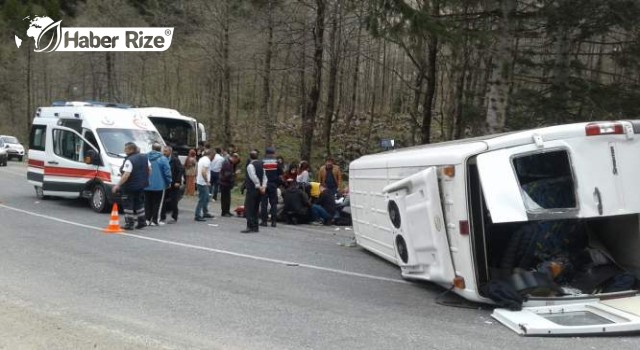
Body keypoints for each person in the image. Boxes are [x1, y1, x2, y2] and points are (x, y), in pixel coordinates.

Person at [112, 142, 150, 230]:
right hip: (141, 185)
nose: (124, 150)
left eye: (126, 149)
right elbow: (149, 170)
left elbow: (126, 175)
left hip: (129, 186)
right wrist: (144, 179)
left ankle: (130, 223)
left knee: (128, 204)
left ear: (131, 150)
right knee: (139, 203)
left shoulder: (130, 160)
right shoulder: (145, 157)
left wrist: (117, 185)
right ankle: (142, 222)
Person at [144, 143, 172, 226]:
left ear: (152, 148)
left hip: (147, 184)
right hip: (159, 184)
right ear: (160, 149)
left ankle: (147, 219)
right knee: (158, 203)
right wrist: (169, 182)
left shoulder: (145, 157)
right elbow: (167, 172)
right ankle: (155, 220)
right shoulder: (163, 159)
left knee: (147, 203)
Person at [241, 150, 267, 233]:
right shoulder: (262, 164)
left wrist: (259, 186)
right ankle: (256, 226)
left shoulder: (250, 166)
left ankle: (250, 225)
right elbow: (265, 177)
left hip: (253, 189)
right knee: (256, 208)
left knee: (249, 207)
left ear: (250, 157)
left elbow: (253, 177)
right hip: (260, 189)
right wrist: (264, 186)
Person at [160, 146, 184, 224]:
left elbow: (180, 171)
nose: (164, 153)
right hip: (165, 183)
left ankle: (174, 217)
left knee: (174, 201)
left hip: (174, 183)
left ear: (170, 152)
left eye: (166, 151)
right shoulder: (162, 159)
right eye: (163, 151)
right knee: (162, 201)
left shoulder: (175, 160)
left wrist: (178, 181)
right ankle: (162, 216)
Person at [260, 147, 283, 227]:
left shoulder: (262, 162)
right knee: (273, 203)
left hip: (264, 184)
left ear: (266, 153)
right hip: (273, 184)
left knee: (264, 203)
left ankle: (264, 221)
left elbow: (260, 173)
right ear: (273, 153)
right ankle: (273, 221)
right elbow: (281, 174)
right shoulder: (277, 163)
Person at [195, 149, 215, 222]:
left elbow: (197, 169)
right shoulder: (207, 161)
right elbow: (203, 172)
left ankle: (205, 212)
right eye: (213, 156)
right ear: (211, 155)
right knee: (203, 199)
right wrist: (207, 181)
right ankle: (197, 215)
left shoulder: (201, 159)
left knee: (206, 198)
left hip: (200, 181)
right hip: (203, 182)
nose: (214, 158)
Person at [219, 152, 240, 217]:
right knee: (225, 198)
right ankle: (224, 212)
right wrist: (235, 173)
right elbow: (226, 175)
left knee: (228, 198)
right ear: (234, 158)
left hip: (227, 183)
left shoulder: (230, 163)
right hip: (224, 183)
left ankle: (227, 211)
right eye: (236, 160)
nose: (236, 162)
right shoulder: (227, 163)